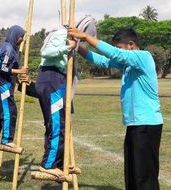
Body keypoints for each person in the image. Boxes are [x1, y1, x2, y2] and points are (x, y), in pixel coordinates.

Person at [69, 27, 163, 190]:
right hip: (135, 124)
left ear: (131, 45)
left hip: (147, 124)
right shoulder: (128, 64)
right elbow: (102, 60)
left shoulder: (143, 57)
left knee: (145, 175)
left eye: (119, 47)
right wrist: (77, 48)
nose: (117, 51)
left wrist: (86, 36)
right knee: (132, 172)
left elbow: (115, 54)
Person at [34, 28, 76, 178]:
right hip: (52, 80)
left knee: (55, 124)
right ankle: (49, 164)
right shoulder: (62, 34)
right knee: (58, 125)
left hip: (54, 80)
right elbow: (45, 52)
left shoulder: (65, 35)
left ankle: (58, 161)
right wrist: (68, 47)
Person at [0, 25, 28, 148]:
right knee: (9, 109)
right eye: (21, 37)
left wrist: (17, 78)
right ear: (15, 36)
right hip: (1, 81)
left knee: (0, 109)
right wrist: (20, 71)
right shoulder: (8, 48)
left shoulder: (11, 48)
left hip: (2, 80)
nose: (22, 39)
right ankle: (6, 139)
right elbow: (3, 68)